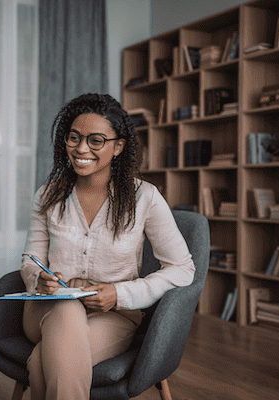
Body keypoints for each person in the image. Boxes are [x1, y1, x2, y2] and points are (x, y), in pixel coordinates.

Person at [20, 93, 195, 399]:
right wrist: (39, 278)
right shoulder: (47, 196)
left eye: (96, 140)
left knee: (40, 362)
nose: (81, 148)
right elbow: (31, 259)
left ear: (118, 146)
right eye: (74, 138)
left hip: (114, 316)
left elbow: (183, 268)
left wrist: (120, 293)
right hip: (45, 308)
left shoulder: (145, 198)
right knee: (66, 310)